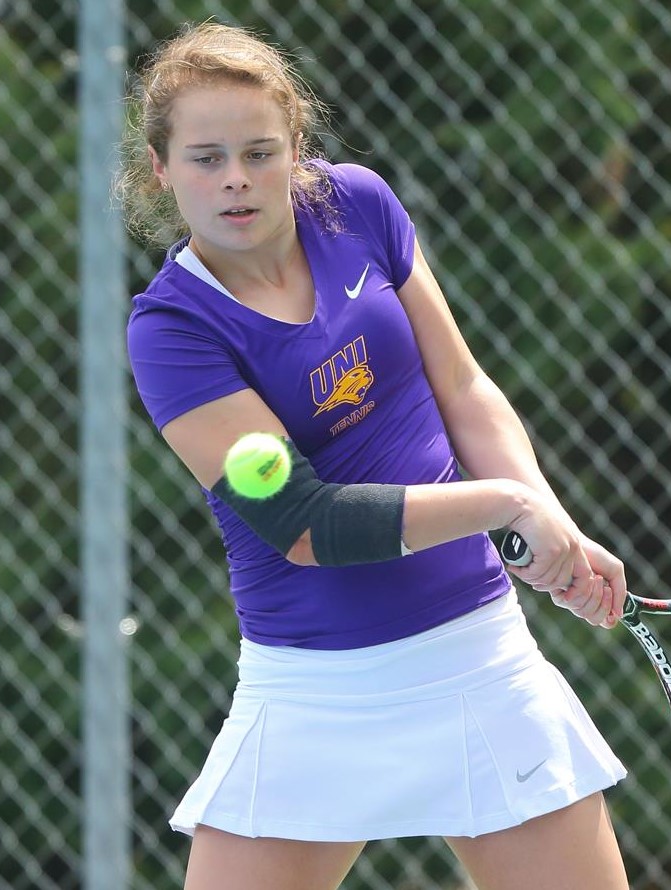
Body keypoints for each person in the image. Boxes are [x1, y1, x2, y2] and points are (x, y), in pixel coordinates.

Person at [119, 21, 630, 890]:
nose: (236, 178)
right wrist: (503, 506)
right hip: (311, 693)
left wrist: (550, 517)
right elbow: (302, 522)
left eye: (258, 151)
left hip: (474, 658)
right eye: (205, 158)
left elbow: (463, 388)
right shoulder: (172, 332)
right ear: (163, 171)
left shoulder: (358, 206)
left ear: (297, 146)